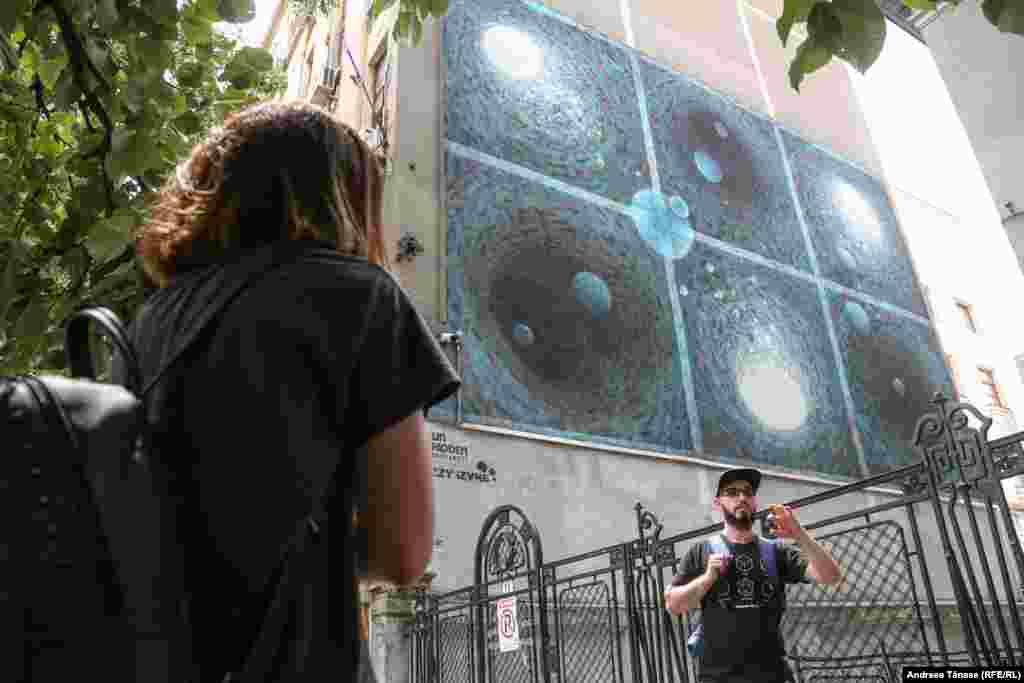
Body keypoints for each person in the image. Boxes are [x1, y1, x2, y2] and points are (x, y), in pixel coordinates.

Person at [129, 100, 461, 680]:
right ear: (343, 195)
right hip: (296, 659)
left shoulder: (150, 321)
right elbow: (402, 552)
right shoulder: (356, 296)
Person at [663, 468, 842, 683]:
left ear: (755, 503)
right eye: (732, 492)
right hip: (717, 677)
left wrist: (798, 533)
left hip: (772, 675)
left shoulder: (776, 551)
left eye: (747, 492)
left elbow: (831, 576)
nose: (741, 497)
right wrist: (707, 579)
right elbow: (674, 605)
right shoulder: (702, 551)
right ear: (718, 503)